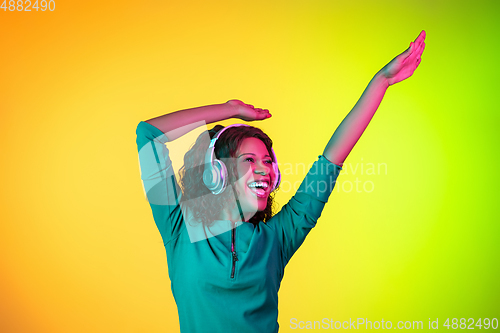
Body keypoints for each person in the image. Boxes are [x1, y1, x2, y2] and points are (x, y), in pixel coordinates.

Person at [135, 31, 426, 332]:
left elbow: (332, 160)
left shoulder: (277, 238)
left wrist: (381, 82)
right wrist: (230, 110)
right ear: (216, 171)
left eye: (268, 161)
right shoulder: (179, 227)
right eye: (249, 160)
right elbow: (149, 134)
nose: (265, 170)